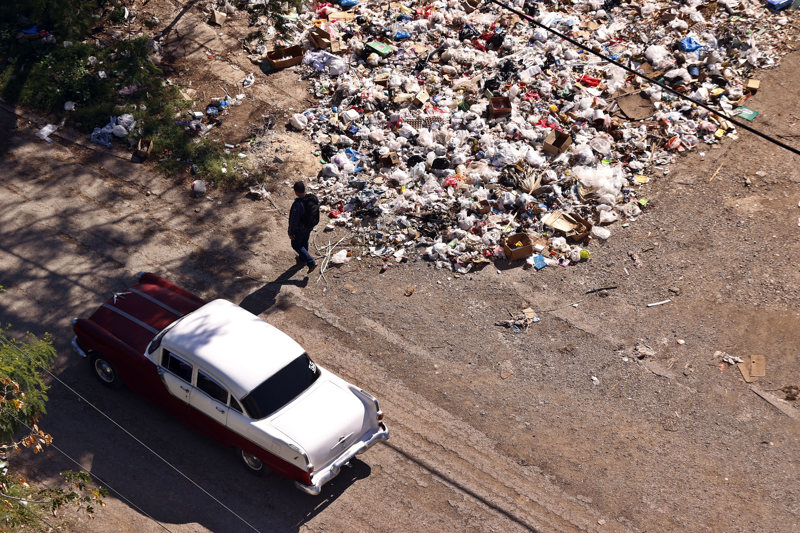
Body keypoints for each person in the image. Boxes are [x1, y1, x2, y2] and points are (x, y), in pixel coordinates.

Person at [288, 181, 317, 272]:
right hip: (309, 226)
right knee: (304, 241)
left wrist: (290, 232)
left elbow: (293, 220)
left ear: (296, 191)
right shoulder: (313, 198)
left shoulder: (298, 204)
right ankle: (303, 259)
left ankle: (311, 262)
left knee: (296, 245)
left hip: (300, 229)